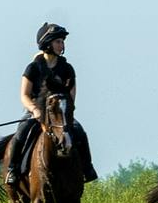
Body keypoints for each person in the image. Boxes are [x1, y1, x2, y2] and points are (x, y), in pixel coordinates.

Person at [12, 22, 98, 183]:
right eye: (58, 41)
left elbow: (71, 96)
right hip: (36, 113)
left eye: (62, 42)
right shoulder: (33, 68)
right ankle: (12, 169)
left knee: (79, 131)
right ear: (47, 43)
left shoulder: (67, 69)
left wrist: (65, 112)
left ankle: (87, 168)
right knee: (22, 131)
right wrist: (35, 110)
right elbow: (24, 95)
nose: (62, 45)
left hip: (60, 115)